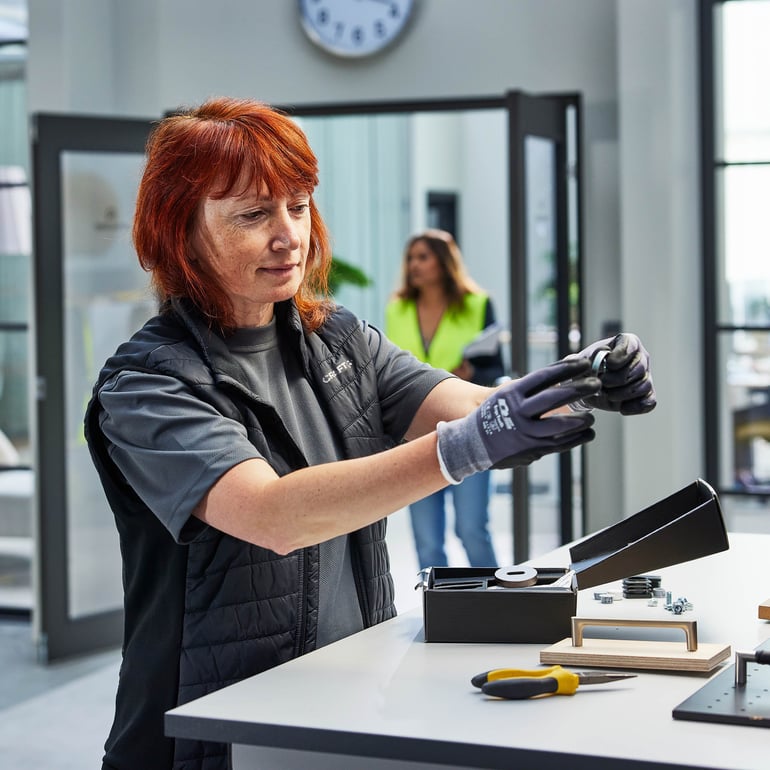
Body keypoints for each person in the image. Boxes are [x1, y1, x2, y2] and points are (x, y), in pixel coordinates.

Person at [83, 96, 657, 770]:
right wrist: (470, 444)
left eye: (297, 207)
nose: (288, 236)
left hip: (333, 714)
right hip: (205, 736)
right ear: (179, 232)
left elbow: (469, 406)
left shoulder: (340, 342)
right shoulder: (148, 385)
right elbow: (275, 514)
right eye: (253, 214)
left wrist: (580, 382)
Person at [385, 230, 505, 569]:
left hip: (469, 429)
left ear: (444, 261)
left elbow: (497, 369)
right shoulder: (398, 310)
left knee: (471, 530)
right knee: (427, 541)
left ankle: (500, 604)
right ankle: (437, 614)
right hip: (416, 435)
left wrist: (469, 375)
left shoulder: (477, 304)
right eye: (411, 258)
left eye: (423, 257)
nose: (414, 265)